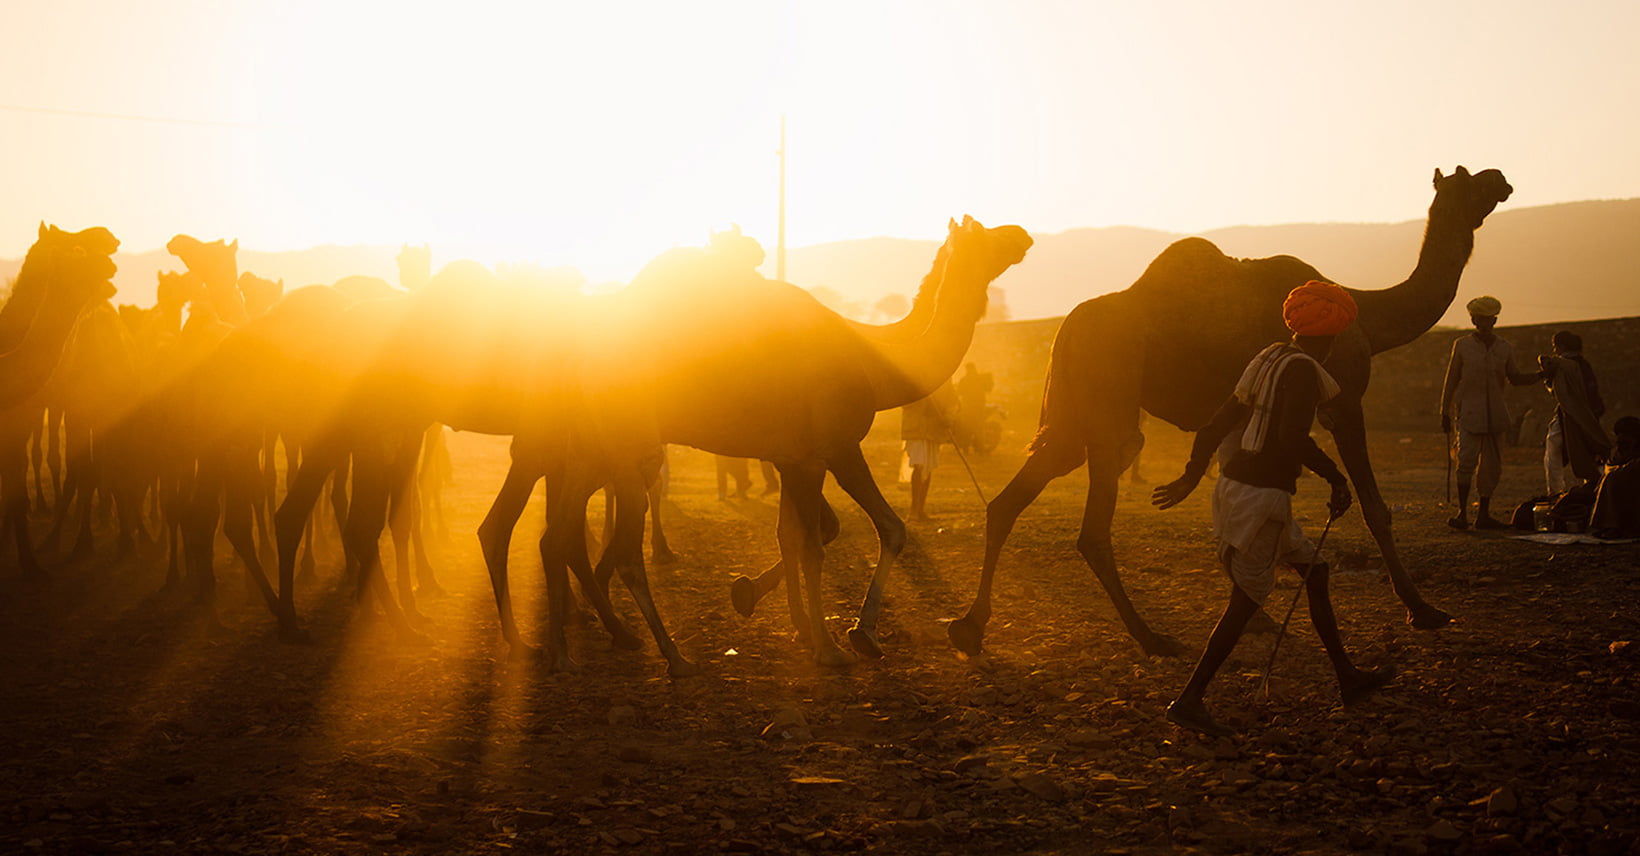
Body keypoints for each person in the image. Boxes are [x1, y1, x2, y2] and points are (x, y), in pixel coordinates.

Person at [1152, 280, 1392, 738]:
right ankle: (1189, 699)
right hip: (1262, 498)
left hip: (1238, 488)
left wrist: (1191, 474)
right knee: (1244, 603)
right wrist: (1336, 478)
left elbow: (1215, 424)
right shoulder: (1301, 372)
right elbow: (1289, 439)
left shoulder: (1268, 358)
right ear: (1334, 336)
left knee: (1315, 573)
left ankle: (1348, 678)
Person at [1439, 296, 1541, 530]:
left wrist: (1540, 375)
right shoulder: (1462, 345)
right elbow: (1451, 379)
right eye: (1479, 319)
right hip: (1469, 413)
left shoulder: (1504, 347)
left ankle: (1483, 515)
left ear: (1494, 320)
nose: (1484, 323)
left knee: (1491, 468)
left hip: (1496, 415)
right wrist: (1443, 411)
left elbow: (1514, 377)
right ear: (1474, 320)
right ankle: (1462, 513)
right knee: (1465, 462)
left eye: (1488, 319)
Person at [1539, 331, 1609, 494]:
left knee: (1554, 451)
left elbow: (1558, 391)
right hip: (1589, 413)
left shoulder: (1563, 365)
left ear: (1562, 347)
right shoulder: (1583, 364)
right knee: (1589, 448)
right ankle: (1598, 488)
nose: (1555, 350)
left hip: (1570, 413)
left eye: (1556, 346)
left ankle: (1555, 492)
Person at [901, 382, 959, 521]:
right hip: (916, 429)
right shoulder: (914, 378)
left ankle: (921, 509)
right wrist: (923, 400)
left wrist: (947, 418)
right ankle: (913, 510)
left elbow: (953, 404)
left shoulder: (944, 380)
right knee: (919, 466)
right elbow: (903, 402)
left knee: (928, 469)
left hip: (934, 430)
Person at [1590, 416, 1640, 538]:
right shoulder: (1620, 449)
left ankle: (1612, 526)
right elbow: (1611, 465)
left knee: (1613, 478)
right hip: (1625, 486)